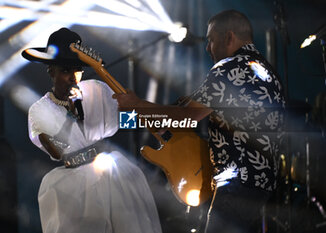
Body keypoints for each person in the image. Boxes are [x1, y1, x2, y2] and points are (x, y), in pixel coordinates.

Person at [113, 10, 285, 233]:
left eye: (211, 41)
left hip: (237, 184)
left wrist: (133, 107)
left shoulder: (227, 69)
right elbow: (183, 112)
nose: (207, 48)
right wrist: (129, 117)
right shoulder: (266, 71)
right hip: (262, 186)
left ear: (229, 37)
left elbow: (186, 118)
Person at [21, 28, 162, 233]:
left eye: (77, 70)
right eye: (65, 70)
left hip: (110, 173)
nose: (73, 77)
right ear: (51, 70)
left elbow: (125, 120)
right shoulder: (39, 111)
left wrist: (162, 118)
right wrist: (70, 116)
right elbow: (56, 150)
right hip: (72, 184)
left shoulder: (95, 90)